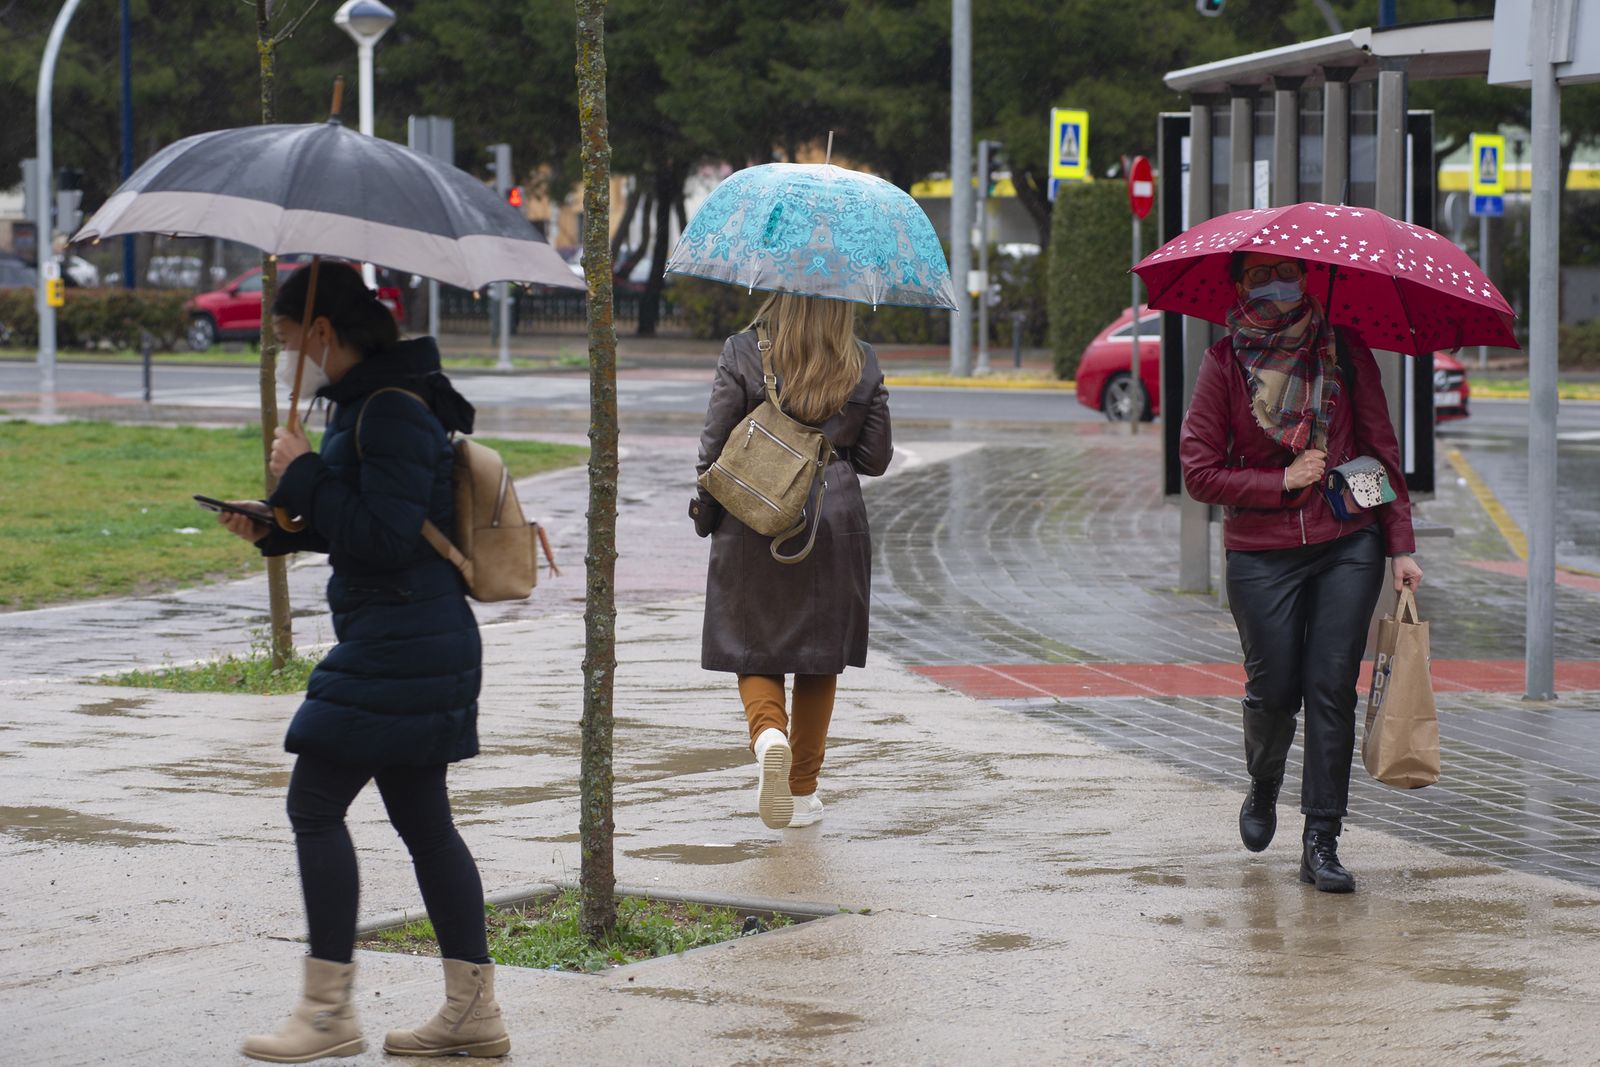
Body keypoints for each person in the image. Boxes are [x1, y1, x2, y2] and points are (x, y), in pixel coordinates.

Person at [218, 263, 509, 1061]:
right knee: (423, 822)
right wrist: (278, 526)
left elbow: (382, 536)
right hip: (406, 637)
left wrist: (305, 470)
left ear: (320, 332)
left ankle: (326, 1013)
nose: (286, 358)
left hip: (404, 640)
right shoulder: (368, 404)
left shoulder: (389, 410)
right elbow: (371, 525)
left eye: (286, 341)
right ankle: (472, 1010)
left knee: (314, 801)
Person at [1179, 251, 1423, 895]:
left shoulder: (1344, 349)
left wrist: (1400, 545)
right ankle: (1263, 783)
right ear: (1237, 285)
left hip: (1349, 542)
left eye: (1286, 271)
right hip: (1261, 552)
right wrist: (1280, 479)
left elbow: (1382, 450)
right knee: (1273, 690)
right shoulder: (1224, 363)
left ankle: (1322, 839)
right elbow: (1198, 472)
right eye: (1259, 275)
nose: (1276, 284)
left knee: (1331, 687)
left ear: (1311, 280)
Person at [693, 292, 893, 830]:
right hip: (834, 519)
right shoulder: (862, 357)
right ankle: (801, 791)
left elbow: (714, 445)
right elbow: (874, 457)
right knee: (818, 657)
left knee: (751, 644)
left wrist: (706, 512)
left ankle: (768, 737)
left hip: (755, 513)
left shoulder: (742, 350)